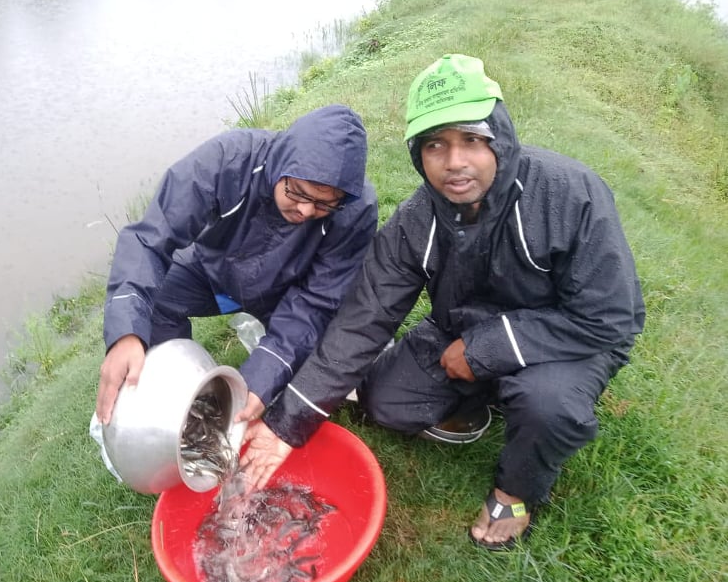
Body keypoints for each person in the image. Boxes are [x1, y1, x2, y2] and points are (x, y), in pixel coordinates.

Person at [241, 54, 645, 551]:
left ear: (498, 136)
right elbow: (362, 321)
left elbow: (611, 320)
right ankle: (489, 394)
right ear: (418, 154)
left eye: (471, 140)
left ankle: (514, 493)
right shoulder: (416, 220)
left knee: (547, 405)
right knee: (384, 400)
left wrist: (484, 351)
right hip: (459, 331)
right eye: (436, 145)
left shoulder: (570, 193)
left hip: (566, 341)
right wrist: (287, 424)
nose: (454, 162)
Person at [96, 104, 378, 427]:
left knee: (329, 364)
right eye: (297, 191)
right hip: (218, 275)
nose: (304, 209)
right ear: (282, 161)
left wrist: (260, 377)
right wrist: (125, 333)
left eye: (323, 204)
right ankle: (187, 393)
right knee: (153, 301)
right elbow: (150, 239)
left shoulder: (356, 211)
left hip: (288, 293)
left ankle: (271, 365)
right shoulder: (228, 160)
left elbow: (314, 303)